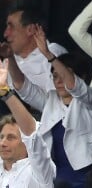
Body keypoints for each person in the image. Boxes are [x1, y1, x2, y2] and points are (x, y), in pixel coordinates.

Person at [7, 25, 92, 187]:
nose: (58, 81)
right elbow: (22, 86)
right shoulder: (51, 100)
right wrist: (9, 58)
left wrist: (48, 55)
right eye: (54, 76)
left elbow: (75, 86)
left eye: (63, 75)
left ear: (82, 77)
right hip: (57, 176)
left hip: (89, 175)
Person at [0, 59, 56, 188]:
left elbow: (32, 133)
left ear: (26, 144)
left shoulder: (38, 171)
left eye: (11, 137)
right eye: (1, 137)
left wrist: (6, 94)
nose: (3, 143)